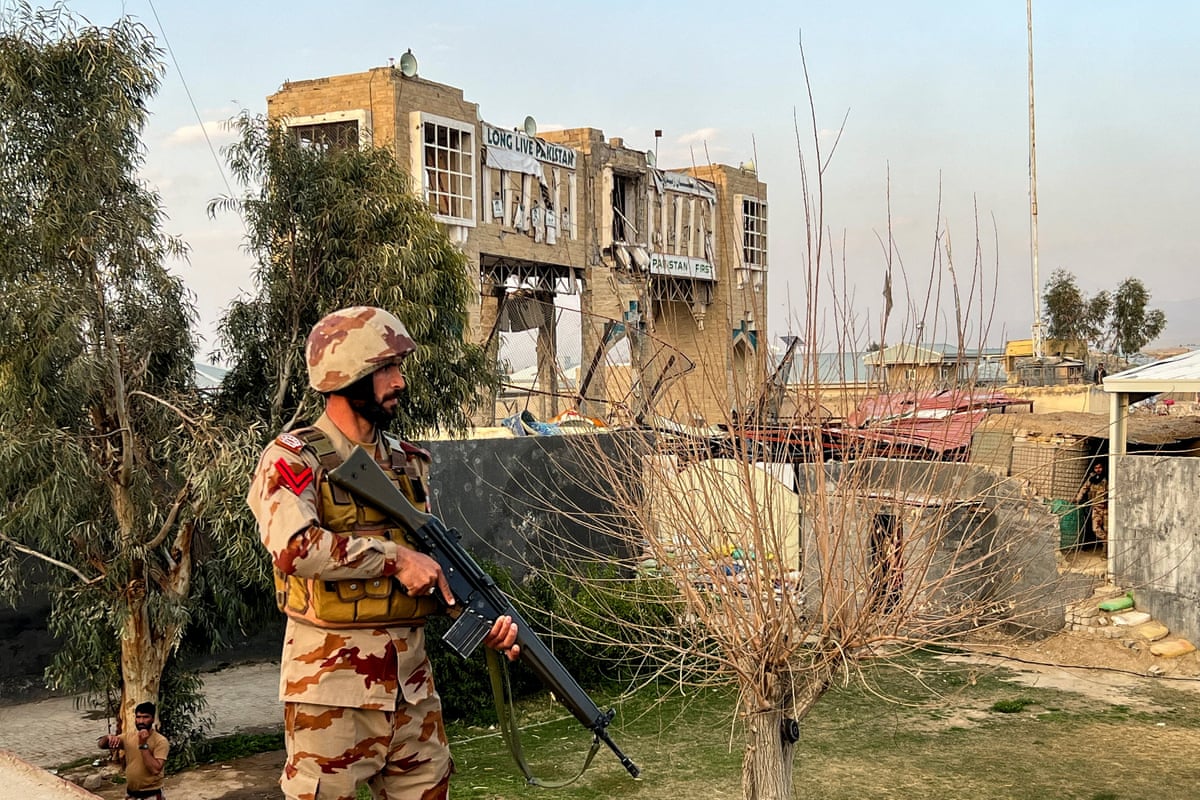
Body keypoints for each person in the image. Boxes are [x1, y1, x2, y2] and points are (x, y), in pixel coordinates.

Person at [247, 306, 519, 800]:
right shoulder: (292, 458)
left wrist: (482, 618)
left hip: (412, 692)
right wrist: (393, 558)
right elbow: (294, 549)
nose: (399, 382)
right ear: (347, 377)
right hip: (331, 696)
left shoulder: (407, 462)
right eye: (386, 370)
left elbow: (429, 566)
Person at [96, 701, 169, 800]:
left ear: (152, 719)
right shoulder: (128, 736)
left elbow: (155, 769)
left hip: (151, 794)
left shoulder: (161, 741)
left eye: (145, 717)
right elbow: (101, 745)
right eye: (138, 717)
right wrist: (108, 738)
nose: (141, 721)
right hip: (131, 794)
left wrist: (143, 744)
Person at [1075, 460, 1109, 543]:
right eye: (1096, 468)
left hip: (1106, 508)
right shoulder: (1092, 479)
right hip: (1096, 508)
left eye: (1100, 467)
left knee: (1107, 529)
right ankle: (1107, 541)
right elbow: (1084, 488)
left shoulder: (1108, 478)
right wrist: (1077, 499)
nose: (1098, 470)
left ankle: (1107, 550)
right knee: (1095, 529)